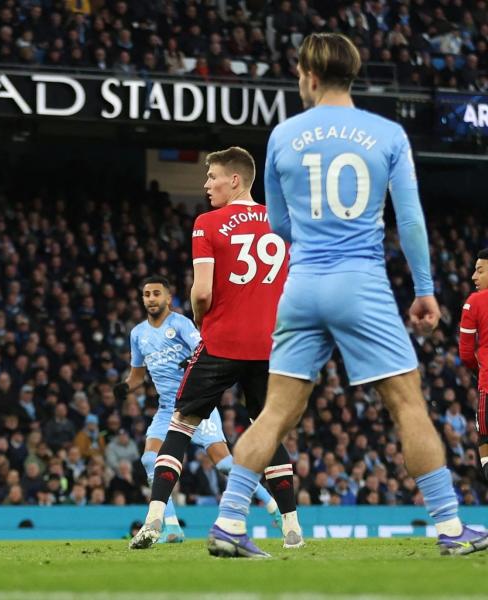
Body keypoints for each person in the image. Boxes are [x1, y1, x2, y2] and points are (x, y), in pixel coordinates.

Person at [208, 32, 488, 558]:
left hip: (302, 286)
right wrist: (424, 290)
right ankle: (451, 529)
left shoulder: (284, 136)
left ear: (310, 77)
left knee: (274, 414)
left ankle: (228, 523)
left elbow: (280, 225)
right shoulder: (386, 134)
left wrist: (312, 246)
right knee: (408, 405)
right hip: (361, 284)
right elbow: (409, 218)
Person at [129, 147, 302, 550]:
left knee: (181, 425)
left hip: (222, 342)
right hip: (269, 346)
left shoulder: (208, 223)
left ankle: (154, 519)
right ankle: (292, 527)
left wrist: (203, 322)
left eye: (213, 177)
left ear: (235, 180)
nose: (206, 185)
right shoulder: (284, 223)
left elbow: (202, 292)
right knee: (267, 429)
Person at [116, 276, 281, 545]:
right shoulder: (137, 334)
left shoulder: (180, 323)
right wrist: (124, 388)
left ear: (168, 298)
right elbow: (136, 377)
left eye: (156, 293)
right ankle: (170, 527)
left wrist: (188, 360)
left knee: (226, 465)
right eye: (146, 294)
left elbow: (203, 349)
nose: (151, 299)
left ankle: (272, 505)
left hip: (196, 404)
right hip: (166, 408)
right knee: (149, 460)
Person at [459, 248, 488, 483]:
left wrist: (480, 371)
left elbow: (466, 353)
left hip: (487, 387)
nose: (473, 277)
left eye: (479, 270)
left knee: (485, 440)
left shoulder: (474, 303)